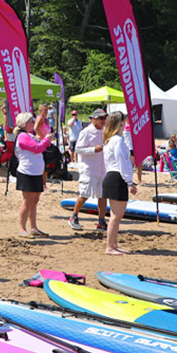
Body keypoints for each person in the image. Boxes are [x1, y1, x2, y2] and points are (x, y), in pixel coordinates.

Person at [100, 111, 138, 254]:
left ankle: (113, 245)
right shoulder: (117, 141)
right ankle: (110, 246)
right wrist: (129, 182)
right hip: (116, 177)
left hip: (112, 176)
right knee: (116, 216)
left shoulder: (110, 140)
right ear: (121, 122)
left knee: (116, 215)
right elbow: (122, 162)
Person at [69, 109, 108, 231]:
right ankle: (73, 216)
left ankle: (101, 221)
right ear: (94, 119)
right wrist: (93, 149)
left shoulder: (105, 131)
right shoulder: (86, 132)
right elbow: (78, 149)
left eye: (105, 118)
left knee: (102, 195)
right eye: (101, 118)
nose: (104, 121)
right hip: (88, 168)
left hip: (102, 168)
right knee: (84, 194)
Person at [13, 110, 50, 237]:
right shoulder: (22, 136)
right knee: (27, 201)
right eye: (31, 121)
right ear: (25, 123)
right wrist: (46, 140)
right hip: (27, 172)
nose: (34, 123)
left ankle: (33, 227)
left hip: (35, 172)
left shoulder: (28, 135)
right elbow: (36, 148)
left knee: (34, 201)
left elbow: (38, 147)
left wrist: (43, 141)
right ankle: (22, 228)